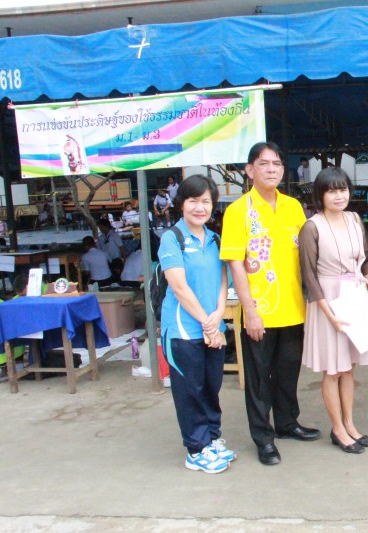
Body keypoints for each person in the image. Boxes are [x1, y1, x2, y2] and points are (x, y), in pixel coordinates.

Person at [220, 141, 321, 467]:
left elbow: (308, 256)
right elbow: (236, 264)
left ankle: (287, 423)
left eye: (277, 164)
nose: (272, 169)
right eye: (264, 164)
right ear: (249, 170)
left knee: (288, 372)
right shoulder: (238, 211)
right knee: (259, 380)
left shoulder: (293, 207)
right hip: (259, 311)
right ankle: (263, 438)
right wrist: (249, 311)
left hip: (293, 308)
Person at [299, 167, 368, 454]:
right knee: (333, 370)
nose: (339, 195)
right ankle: (337, 429)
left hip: (355, 296)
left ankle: (350, 424)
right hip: (328, 301)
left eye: (343, 189)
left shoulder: (355, 219)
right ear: (320, 195)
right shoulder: (312, 227)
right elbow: (309, 276)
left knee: (349, 367)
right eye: (331, 190)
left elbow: (366, 258)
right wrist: (329, 314)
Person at [159, 174, 233, 474]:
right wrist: (207, 323)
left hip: (213, 327)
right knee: (190, 390)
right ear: (181, 203)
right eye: (193, 201)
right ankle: (196, 449)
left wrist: (219, 314)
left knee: (211, 386)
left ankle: (212, 438)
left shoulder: (215, 239)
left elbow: (223, 280)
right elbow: (179, 287)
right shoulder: (172, 238)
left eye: (206, 201)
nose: (200, 207)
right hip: (183, 331)